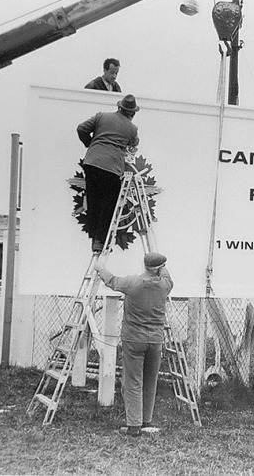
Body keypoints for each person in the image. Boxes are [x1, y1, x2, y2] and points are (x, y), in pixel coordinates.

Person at [94, 252, 173, 437]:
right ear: (160, 269)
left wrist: (100, 269)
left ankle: (134, 426)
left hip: (133, 339)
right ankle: (147, 420)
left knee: (133, 381)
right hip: (155, 340)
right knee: (150, 380)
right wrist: (161, 267)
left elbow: (111, 281)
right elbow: (167, 274)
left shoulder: (132, 283)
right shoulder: (165, 285)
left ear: (145, 266)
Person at [76, 94, 140, 252]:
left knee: (93, 200)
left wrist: (91, 144)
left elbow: (81, 128)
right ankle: (100, 240)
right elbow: (133, 144)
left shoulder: (101, 116)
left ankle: (94, 240)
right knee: (109, 204)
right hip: (112, 167)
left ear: (119, 107)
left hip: (92, 162)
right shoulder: (132, 129)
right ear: (132, 113)